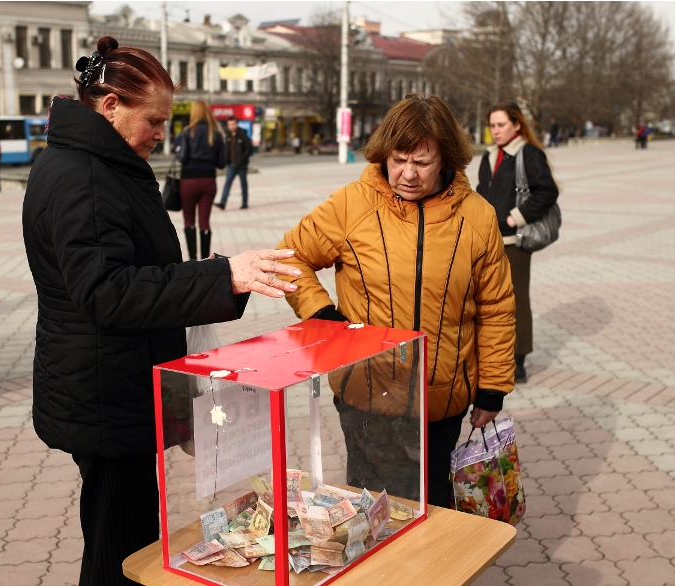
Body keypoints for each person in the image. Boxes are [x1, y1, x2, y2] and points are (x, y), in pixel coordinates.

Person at [22, 36, 300, 586]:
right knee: (121, 549)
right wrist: (224, 275)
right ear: (109, 106)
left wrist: (211, 276)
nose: (159, 133)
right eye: (151, 119)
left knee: (120, 534)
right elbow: (108, 292)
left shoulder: (94, 162)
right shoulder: (87, 177)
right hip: (105, 392)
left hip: (107, 385)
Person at [277, 94, 516, 508]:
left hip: (443, 401)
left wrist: (493, 387)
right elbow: (289, 258)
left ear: (445, 159)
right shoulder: (352, 204)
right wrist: (323, 314)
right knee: (378, 512)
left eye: (421, 162)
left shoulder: (477, 217)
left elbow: (496, 307)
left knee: (435, 508)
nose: (407, 173)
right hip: (369, 396)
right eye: (397, 159)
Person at [476, 102, 559, 385]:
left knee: (516, 300)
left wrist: (516, 217)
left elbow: (547, 191)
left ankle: (519, 360)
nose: (496, 131)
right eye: (492, 126)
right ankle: (491, 354)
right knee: (489, 302)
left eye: (501, 125)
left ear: (517, 125)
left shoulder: (528, 153)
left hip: (515, 242)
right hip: (489, 241)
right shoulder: (490, 156)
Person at [176, 101, 225, 259]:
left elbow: (182, 158)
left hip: (188, 182)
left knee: (189, 220)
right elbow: (222, 163)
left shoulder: (188, 132)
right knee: (205, 222)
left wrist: (178, 151)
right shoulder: (216, 134)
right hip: (209, 182)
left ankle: (192, 258)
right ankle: (206, 259)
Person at [214, 115, 252, 210]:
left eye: (233, 124)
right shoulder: (227, 135)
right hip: (231, 164)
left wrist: (242, 159)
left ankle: (245, 203)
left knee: (243, 184)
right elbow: (225, 149)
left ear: (236, 124)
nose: (231, 126)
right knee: (227, 183)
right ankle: (223, 203)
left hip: (242, 165)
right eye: (229, 124)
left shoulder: (242, 134)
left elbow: (249, 148)